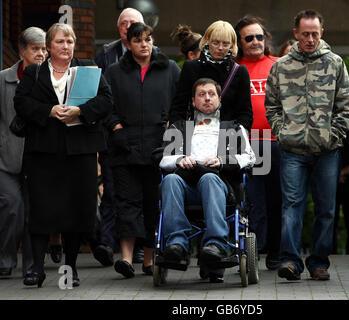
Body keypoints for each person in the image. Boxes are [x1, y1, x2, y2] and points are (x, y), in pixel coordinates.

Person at [14, 23, 112, 288]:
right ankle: (36, 268)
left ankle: (70, 267)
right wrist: (49, 111)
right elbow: (21, 103)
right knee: (42, 211)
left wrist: (79, 112)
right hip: (43, 153)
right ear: (48, 46)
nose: (66, 46)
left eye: (70, 41)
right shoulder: (34, 73)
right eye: (60, 42)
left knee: (76, 211)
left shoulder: (88, 69)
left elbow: (106, 100)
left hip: (79, 153)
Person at [265, 10, 349, 281]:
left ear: (322, 33)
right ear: (296, 34)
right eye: (305, 34)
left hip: (327, 151)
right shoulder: (281, 66)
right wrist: (282, 132)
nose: (310, 39)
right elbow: (272, 106)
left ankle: (319, 263)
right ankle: (290, 261)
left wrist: (333, 136)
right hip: (292, 150)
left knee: (326, 209)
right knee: (292, 205)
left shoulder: (335, 63)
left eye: (315, 34)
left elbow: (346, 107)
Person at [158, 78, 256, 282]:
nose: (207, 98)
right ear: (193, 101)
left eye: (211, 94)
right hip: (187, 188)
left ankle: (216, 244)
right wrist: (180, 159)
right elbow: (163, 160)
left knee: (209, 178)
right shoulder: (180, 127)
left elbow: (250, 158)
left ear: (219, 99)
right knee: (169, 181)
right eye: (201, 94)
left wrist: (222, 160)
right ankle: (177, 244)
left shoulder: (234, 127)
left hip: (219, 187)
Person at [104, 22, 180, 278]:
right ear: (129, 44)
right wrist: (117, 128)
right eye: (138, 41)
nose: (144, 45)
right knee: (126, 202)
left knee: (152, 203)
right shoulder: (114, 72)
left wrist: (171, 129)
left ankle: (148, 260)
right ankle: (125, 259)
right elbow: (106, 105)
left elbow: (180, 103)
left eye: (148, 39)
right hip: (125, 147)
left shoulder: (169, 68)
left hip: (159, 147)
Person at [94, 7, 145, 266]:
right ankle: (106, 241)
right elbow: (98, 93)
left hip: (144, 137)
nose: (128, 27)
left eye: (133, 22)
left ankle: (137, 247)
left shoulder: (152, 56)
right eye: (124, 23)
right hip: (112, 133)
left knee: (138, 193)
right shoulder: (106, 54)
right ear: (119, 29)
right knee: (112, 189)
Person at [234, 15, 281, 270]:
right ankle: (247, 253)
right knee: (247, 201)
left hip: (274, 141)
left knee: (277, 200)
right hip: (242, 143)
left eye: (259, 37)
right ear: (239, 42)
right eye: (249, 38)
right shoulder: (232, 68)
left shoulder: (280, 65)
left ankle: (274, 252)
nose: (255, 42)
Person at [0, 27, 46, 279]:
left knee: (34, 214)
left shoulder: (50, 79)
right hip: (6, 159)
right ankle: (5, 259)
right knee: (12, 208)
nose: (40, 54)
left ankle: (32, 266)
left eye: (43, 49)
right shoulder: (2, 79)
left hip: (38, 158)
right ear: (22, 51)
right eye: (35, 49)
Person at [169, 20, 253, 131]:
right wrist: (181, 134)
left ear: (232, 45)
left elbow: (245, 112)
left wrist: (236, 134)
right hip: (194, 134)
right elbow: (179, 107)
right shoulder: (191, 67)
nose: (220, 48)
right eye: (216, 42)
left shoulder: (239, 71)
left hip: (227, 136)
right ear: (207, 41)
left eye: (225, 43)